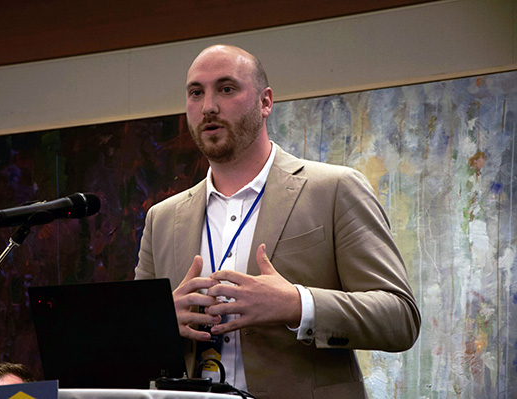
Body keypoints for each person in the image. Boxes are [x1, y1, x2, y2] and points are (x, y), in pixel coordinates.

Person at [135, 44, 421, 399]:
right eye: (196, 92)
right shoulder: (161, 218)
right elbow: (135, 350)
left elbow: (400, 318)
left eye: (226, 89)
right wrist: (159, 323)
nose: (208, 106)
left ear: (265, 102)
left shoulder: (334, 189)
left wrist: (298, 305)